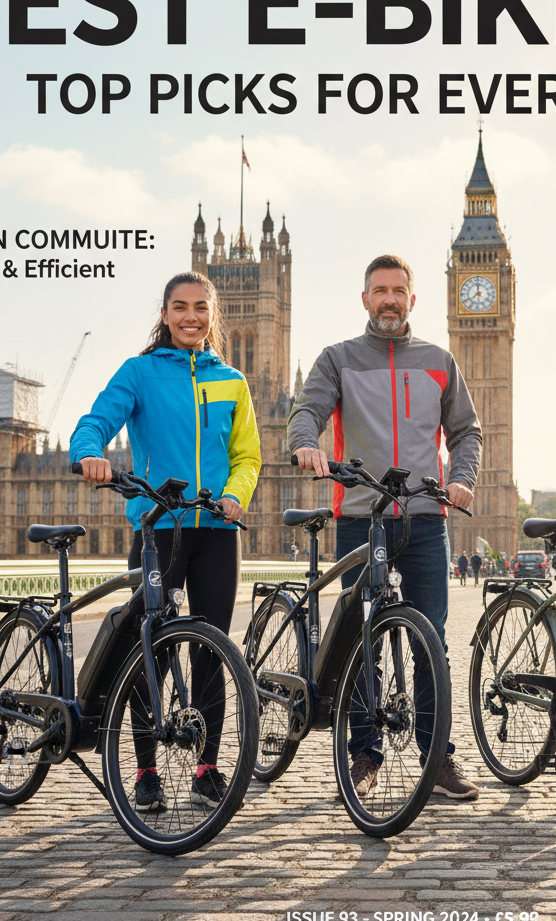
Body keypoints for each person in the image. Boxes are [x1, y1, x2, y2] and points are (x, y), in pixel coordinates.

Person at [288, 253, 482, 801]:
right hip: (361, 517)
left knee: (432, 642)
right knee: (360, 642)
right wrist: (305, 442)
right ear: (366, 299)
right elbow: (308, 409)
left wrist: (462, 478)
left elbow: (467, 431)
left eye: (399, 290)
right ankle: (364, 754)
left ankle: (436, 754)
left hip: (424, 517)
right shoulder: (338, 359)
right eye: (380, 290)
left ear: (412, 300)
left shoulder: (439, 360)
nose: (390, 299)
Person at [70, 271, 261, 814]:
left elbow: (248, 455)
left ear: (212, 315)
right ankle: (146, 771)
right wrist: (89, 452)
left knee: (211, 649)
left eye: (201, 307)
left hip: (218, 532)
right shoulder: (140, 372)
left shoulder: (233, 381)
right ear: (164, 314)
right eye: (180, 307)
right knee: (146, 648)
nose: (191, 317)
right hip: (157, 527)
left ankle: (207, 769)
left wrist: (235, 494)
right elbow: (95, 420)